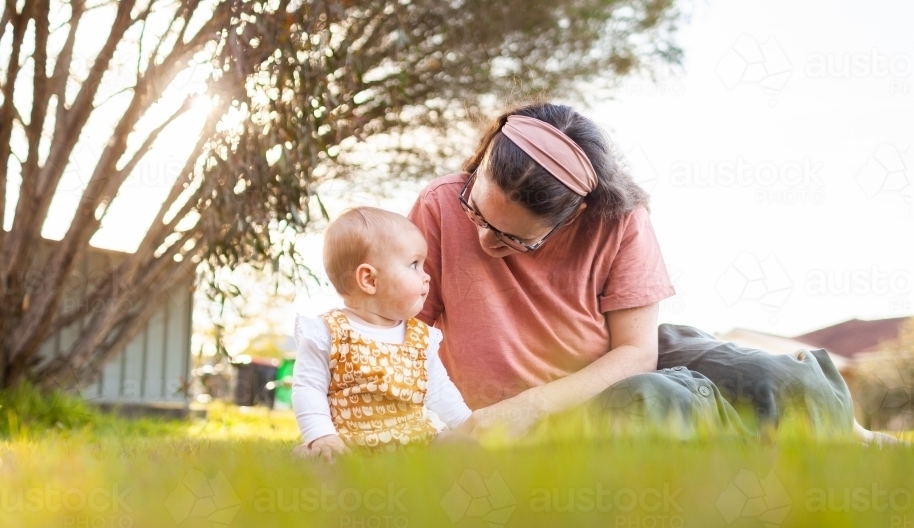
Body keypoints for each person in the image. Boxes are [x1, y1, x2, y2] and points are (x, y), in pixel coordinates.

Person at [408, 101, 883, 443]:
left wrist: (527, 406)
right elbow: (403, 336)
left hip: (618, 358)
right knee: (654, 401)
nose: (487, 242)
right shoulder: (438, 205)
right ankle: (785, 433)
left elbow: (636, 350)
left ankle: (851, 434)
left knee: (774, 377)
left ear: (573, 215)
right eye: (477, 214)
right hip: (597, 396)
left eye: (515, 239)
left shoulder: (619, 220)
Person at [291, 207, 472, 461]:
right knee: (317, 459)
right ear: (369, 280)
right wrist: (322, 436)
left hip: (416, 439)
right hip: (350, 442)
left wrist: (469, 425)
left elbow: (439, 391)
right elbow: (308, 388)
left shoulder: (421, 337)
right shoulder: (328, 332)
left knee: (458, 446)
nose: (427, 276)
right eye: (414, 265)